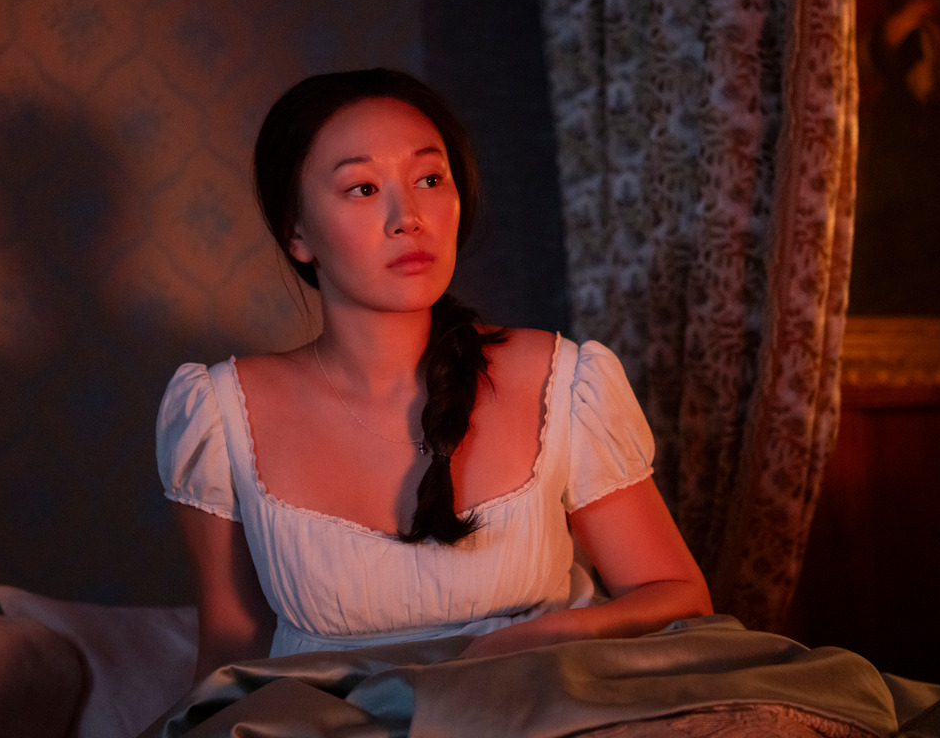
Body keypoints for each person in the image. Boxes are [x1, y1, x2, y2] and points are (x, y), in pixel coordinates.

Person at [155, 68, 713, 684]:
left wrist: (546, 635)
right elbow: (232, 654)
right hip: (325, 724)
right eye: (363, 189)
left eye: (429, 179)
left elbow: (678, 595)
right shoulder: (223, 413)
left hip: (541, 711)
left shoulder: (561, 380)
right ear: (297, 232)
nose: (409, 217)